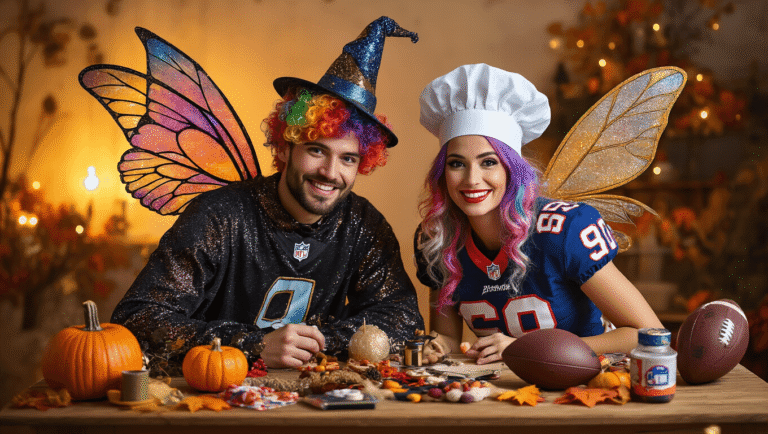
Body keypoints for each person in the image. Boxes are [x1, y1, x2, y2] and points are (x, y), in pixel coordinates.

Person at [111, 17, 424, 370]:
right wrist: (253, 345)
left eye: (347, 158)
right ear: (285, 146)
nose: (330, 172)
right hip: (214, 391)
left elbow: (404, 320)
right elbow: (137, 318)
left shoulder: (363, 224)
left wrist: (321, 341)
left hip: (318, 395)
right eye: (316, 150)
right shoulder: (218, 216)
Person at [415, 63, 663, 365]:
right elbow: (449, 339)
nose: (471, 179)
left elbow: (649, 334)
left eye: (489, 162)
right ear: (441, 174)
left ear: (512, 170)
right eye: (456, 164)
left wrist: (528, 349)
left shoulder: (563, 229)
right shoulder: (439, 238)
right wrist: (436, 345)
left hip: (589, 381)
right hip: (501, 388)